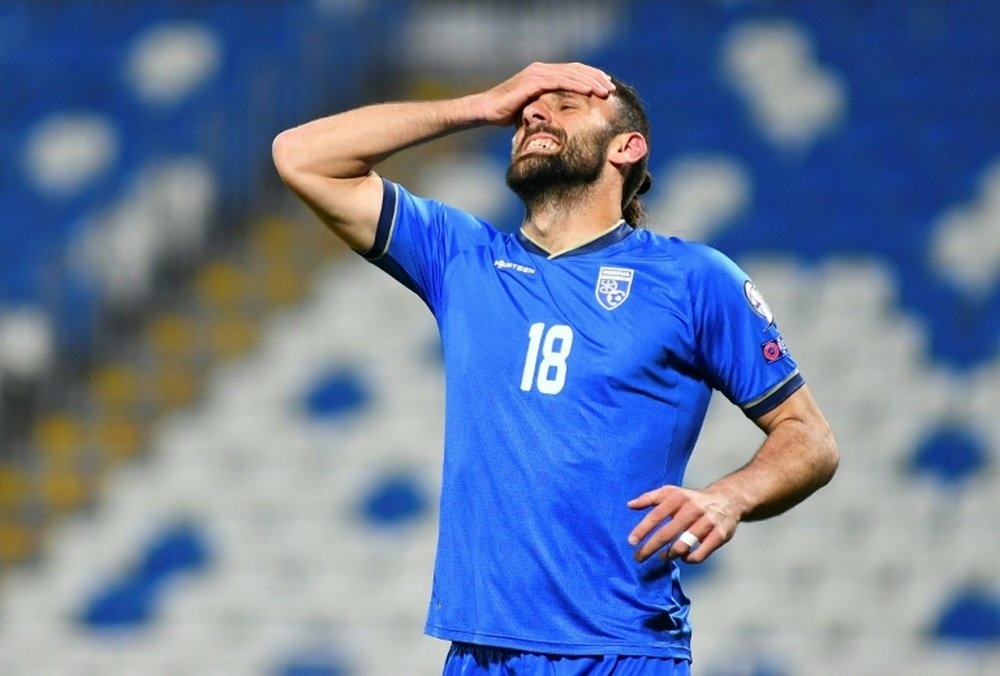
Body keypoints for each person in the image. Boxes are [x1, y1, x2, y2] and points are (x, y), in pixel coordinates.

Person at [272, 62, 839, 675]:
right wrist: (478, 105)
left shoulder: (694, 280)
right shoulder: (461, 258)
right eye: (526, 112)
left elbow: (811, 440)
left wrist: (729, 498)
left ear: (627, 147)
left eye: (567, 106)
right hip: (482, 652)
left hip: (621, 651)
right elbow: (300, 156)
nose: (535, 113)